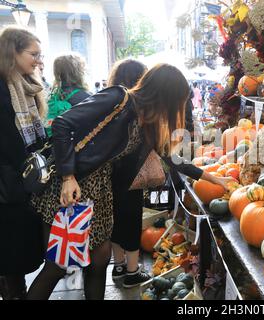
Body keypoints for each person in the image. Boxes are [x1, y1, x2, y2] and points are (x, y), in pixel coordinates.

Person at [28, 63, 235, 300]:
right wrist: (67, 176)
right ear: (165, 95)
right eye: (178, 101)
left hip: (100, 192)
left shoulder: (148, 120)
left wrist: (213, 177)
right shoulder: (118, 98)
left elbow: (172, 158)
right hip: (71, 188)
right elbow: (62, 124)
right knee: (57, 266)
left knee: (99, 262)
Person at [0, 27, 46, 300]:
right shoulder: (3, 87)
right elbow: (8, 138)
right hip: (8, 183)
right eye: (34, 54)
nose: (39, 60)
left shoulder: (24, 84)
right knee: (11, 251)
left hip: (21, 180)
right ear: (12, 52)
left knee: (17, 250)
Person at [106, 58, 151, 287]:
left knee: (114, 218)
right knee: (132, 218)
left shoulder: (110, 100)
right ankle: (132, 273)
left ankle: (119, 266)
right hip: (132, 171)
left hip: (109, 170)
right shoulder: (137, 105)